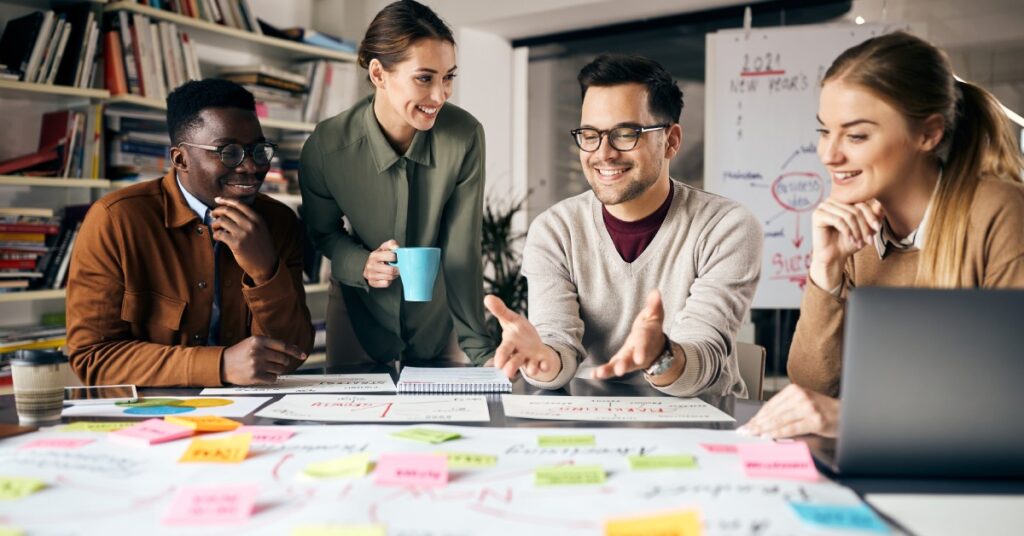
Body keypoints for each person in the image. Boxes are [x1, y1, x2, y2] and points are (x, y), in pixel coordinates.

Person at [739, 31, 1024, 438]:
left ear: (928, 134)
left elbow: (1008, 401)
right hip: (883, 462)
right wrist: (826, 269)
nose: (829, 154)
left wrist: (852, 419)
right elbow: (812, 387)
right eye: (824, 131)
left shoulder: (1000, 211)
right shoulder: (859, 233)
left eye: (855, 135)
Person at [484, 54, 763, 397]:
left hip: (697, 422)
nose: (604, 153)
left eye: (626, 133)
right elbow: (557, 344)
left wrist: (659, 356)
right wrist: (544, 359)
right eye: (590, 134)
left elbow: (705, 358)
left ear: (671, 141)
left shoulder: (727, 228)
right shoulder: (555, 230)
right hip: (588, 423)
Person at [66, 79, 314, 387]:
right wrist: (219, 365)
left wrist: (265, 272)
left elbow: (294, 353)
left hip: (250, 414)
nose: (251, 167)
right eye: (229, 151)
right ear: (180, 159)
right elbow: (92, 357)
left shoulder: (279, 221)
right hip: (151, 416)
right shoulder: (116, 220)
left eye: (258, 150)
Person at [300, 0, 493, 366]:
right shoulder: (327, 146)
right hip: (359, 312)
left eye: (448, 77)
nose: (440, 95)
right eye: (425, 78)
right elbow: (321, 232)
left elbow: (462, 247)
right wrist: (360, 264)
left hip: (441, 316)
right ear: (378, 74)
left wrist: (481, 351)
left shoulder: (465, 135)